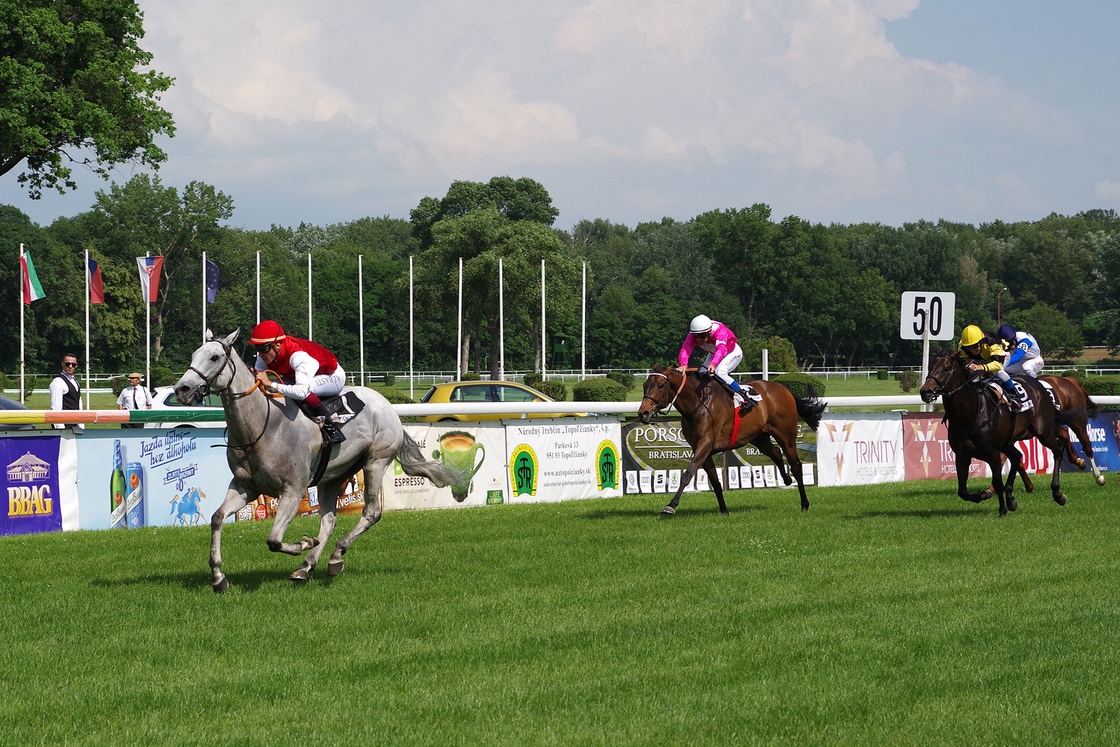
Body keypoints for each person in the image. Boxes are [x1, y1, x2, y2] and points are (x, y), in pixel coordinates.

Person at [248, 320, 347, 443]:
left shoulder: (297, 356)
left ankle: (331, 428)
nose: (260, 354)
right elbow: (258, 380)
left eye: (264, 348)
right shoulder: (265, 355)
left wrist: (271, 384)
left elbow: (300, 392)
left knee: (304, 390)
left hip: (332, 375)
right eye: (257, 348)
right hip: (299, 375)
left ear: (277, 345)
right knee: (270, 387)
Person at [677, 314, 759, 413]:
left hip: (732, 352)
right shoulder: (693, 334)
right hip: (714, 353)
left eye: (702, 336)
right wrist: (683, 364)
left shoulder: (719, 330)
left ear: (709, 332)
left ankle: (745, 396)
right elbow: (686, 349)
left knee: (720, 373)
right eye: (696, 336)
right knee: (701, 375)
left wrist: (713, 364)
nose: (698, 339)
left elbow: (721, 349)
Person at [956, 324, 1029, 412]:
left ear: (981, 341)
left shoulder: (992, 342)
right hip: (982, 358)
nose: (972, 350)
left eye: (975, 346)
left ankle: (1015, 397)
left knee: (998, 372)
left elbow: (998, 364)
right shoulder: (962, 346)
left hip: (1000, 356)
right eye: (969, 347)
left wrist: (980, 367)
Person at [49, 353, 83, 430]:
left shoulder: (75, 382)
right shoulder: (58, 382)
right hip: (63, 427)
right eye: (67, 364)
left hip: (74, 426)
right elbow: (56, 407)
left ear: (76, 365)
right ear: (62, 364)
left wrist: (81, 425)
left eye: (73, 364)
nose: (70, 366)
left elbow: (79, 405)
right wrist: (60, 429)